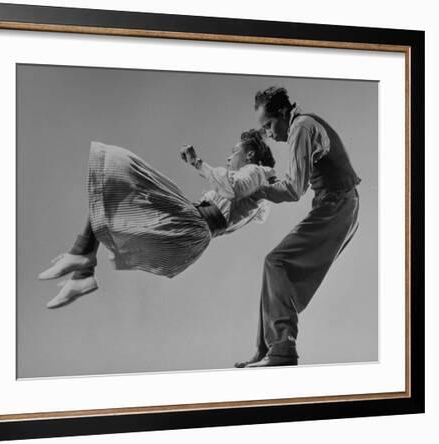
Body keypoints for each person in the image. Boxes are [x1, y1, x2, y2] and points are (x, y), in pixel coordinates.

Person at [38, 129, 276, 309]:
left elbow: (232, 188)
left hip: (192, 223)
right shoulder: (258, 193)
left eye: (234, 152)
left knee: (119, 171)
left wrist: (197, 163)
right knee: (114, 198)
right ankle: (82, 272)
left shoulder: (254, 172)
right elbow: (252, 206)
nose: (229, 156)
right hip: (192, 232)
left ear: (250, 154)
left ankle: (81, 258)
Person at [234, 87, 361, 368]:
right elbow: (294, 182)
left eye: (268, 125)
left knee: (276, 262)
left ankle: (281, 350)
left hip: (338, 205)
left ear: (282, 113)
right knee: (276, 269)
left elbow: (293, 189)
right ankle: (267, 348)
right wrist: (265, 187)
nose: (267, 133)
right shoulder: (300, 127)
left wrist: (256, 190)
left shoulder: (301, 127)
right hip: (336, 205)